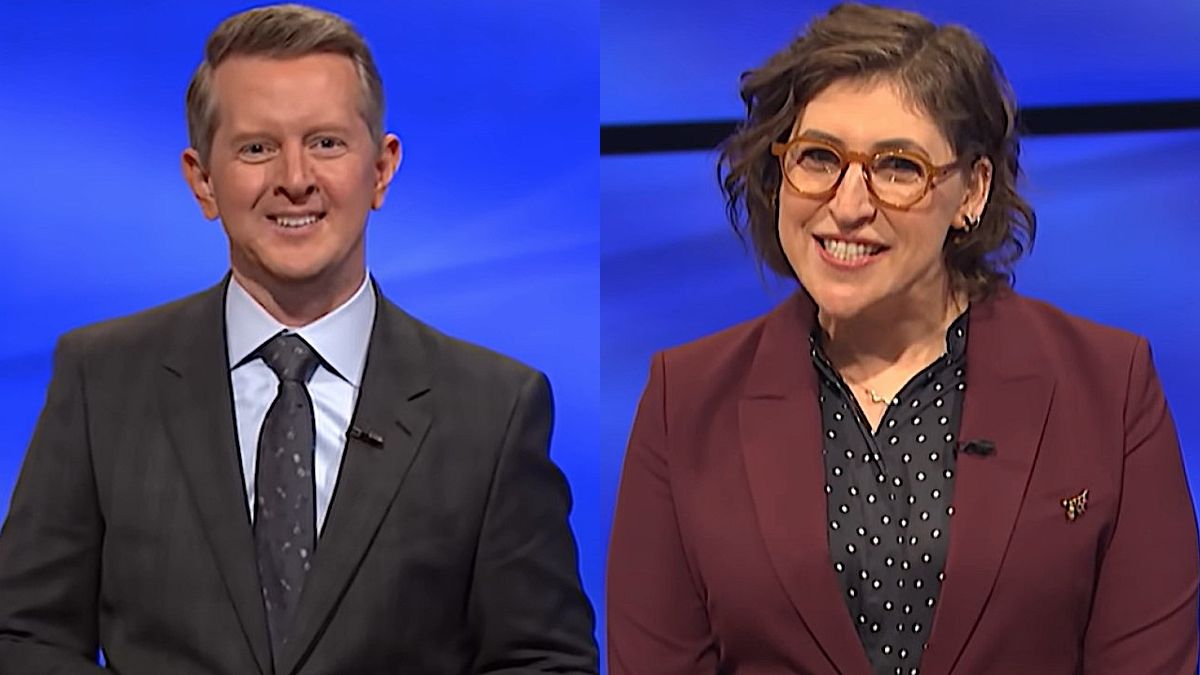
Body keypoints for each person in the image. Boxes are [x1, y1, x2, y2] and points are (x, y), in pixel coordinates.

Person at [0, 4, 597, 674]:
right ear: (202, 180)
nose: (294, 178)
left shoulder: (494, 409)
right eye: (257, 147)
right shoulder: (101, 379)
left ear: (381, 168)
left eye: (327, 143)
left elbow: (544, 660)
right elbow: (24, 636)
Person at [606, 4, 1197, 674]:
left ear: (971, 190)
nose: (849, 204)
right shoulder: (684, 401)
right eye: (819, 157)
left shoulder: (1110, 387)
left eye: (897, 167)